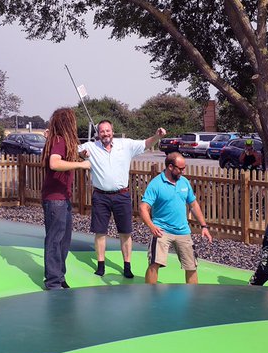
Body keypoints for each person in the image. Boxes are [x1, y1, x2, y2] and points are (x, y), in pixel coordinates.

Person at [78, 120, 166, 278]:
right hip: (100, 196)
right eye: (102, 131)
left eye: (108, 131)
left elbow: (146, 143)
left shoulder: (126, 144)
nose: (105, 134)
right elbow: (74, 151)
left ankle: (127, 266)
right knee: (100, 233)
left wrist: (157, 136)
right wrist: (81, 155)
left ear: (113, 131)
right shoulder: (90, 147)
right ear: (98, 133)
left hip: (122, 195)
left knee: (125, 232)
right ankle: (101, 265)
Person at [139, 153, 212, 284]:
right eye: (181, 168)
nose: (183, 172)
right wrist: (152, 226)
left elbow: (193, 204)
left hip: (183, 231)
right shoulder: (156, 184)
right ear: (170, 167)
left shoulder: (184, 182)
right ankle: (149, 294)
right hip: (162, 230)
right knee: (154, 263)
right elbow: (143, 208)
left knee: (191, 266)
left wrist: (204, 226)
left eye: (184, 168)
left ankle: (192, 298)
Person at [40, 108, 91, 290]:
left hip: (62, 198)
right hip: (55, 199)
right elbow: (55, 163)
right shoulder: (59, 140)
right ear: (68, 123)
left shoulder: (60, 141)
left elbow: (63, 156)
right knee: (55, 239)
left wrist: (79, 155)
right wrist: (80, 164)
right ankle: (53, 281)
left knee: (64, 239)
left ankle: (59, 276)